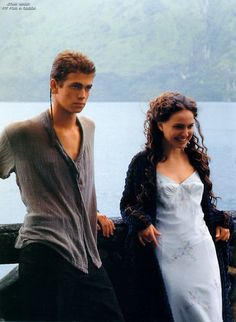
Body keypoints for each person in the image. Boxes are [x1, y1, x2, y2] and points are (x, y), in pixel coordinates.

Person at [0, 50, 125, 322]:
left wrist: (92, 212)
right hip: (45, 251)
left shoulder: (89, 127)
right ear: (54, 85)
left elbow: (76, 182)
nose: (83, 95)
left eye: (88, 87)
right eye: (76, 86)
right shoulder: (20, 133)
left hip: (87, 252)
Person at [120, 92, 234, 322]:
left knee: (211, 311)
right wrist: (142, 223)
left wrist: (222, 222)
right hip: (168, 251)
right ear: (160, 125)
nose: (186, 133)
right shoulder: (143, 162)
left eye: (190, 126)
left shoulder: (197, 159)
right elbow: (128, 204)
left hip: (203, 250)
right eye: (178, 126)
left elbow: (203, 208)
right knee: (177, 308)